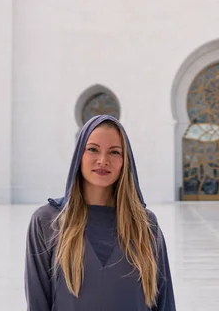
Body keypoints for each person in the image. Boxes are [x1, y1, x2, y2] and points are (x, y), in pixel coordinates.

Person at [25, 114, 176, 310]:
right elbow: (38, 302)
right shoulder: (48, 221)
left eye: (114, 152)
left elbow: (165, 302)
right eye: (93, 149)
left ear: (125, 161)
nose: (103, 160)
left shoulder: (145, 225)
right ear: (79, 155)